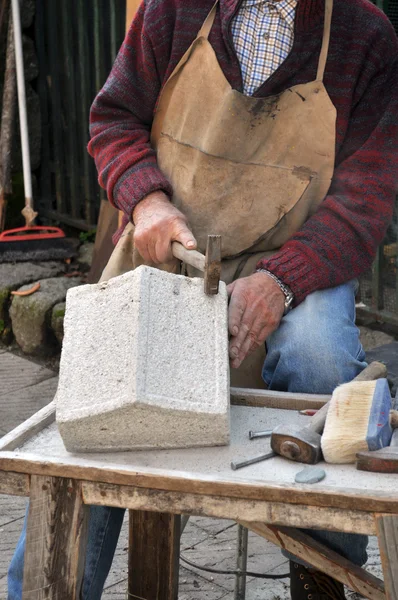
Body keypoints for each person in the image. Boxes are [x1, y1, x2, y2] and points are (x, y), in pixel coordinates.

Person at [8, 0, 398, 599]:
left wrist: (279, 281)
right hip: (170, 255)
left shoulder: (362, 34)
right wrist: (147, 202)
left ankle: (324, 576)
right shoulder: (174, 11)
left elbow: (365, 200)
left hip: (296, 270)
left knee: (320, 359)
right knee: (100, 417)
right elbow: (113, 121)